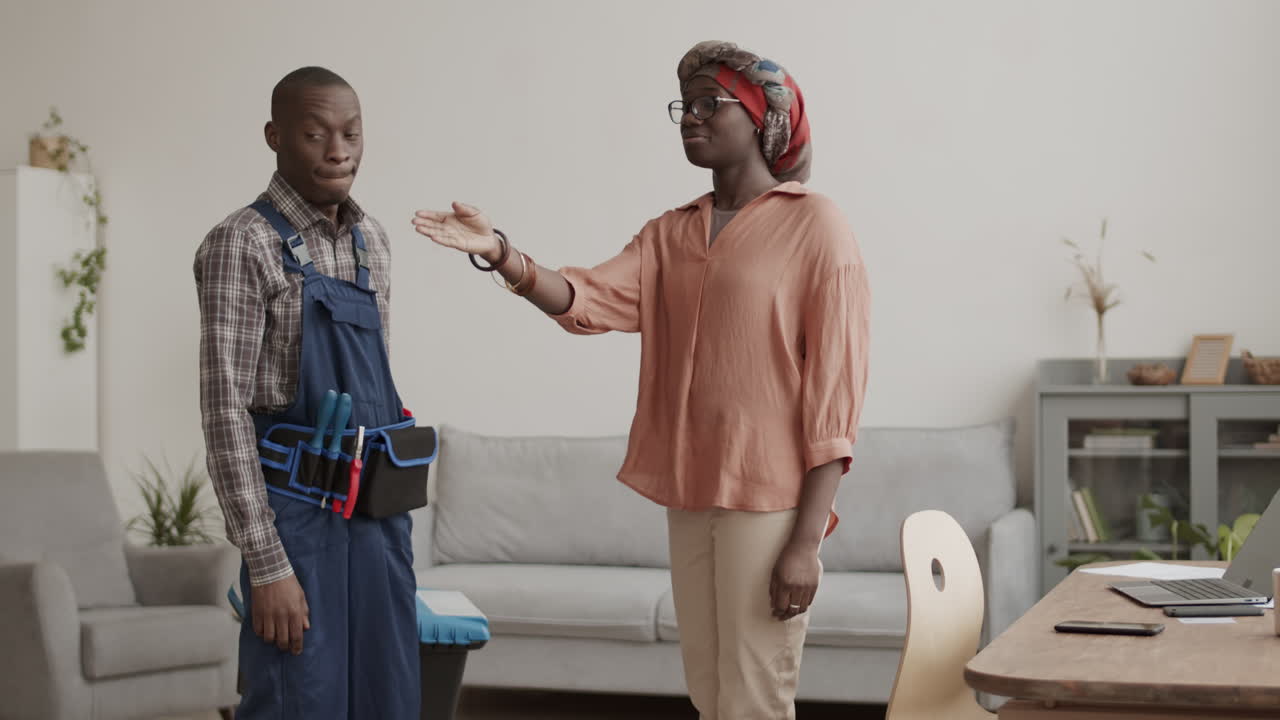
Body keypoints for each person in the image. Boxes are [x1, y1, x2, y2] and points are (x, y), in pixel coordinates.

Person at [412, 41, 870, 719]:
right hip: (688, 489)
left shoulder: (816, 224)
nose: (691, 117)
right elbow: (585, 299)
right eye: (684, 106)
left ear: (760, 119)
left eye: (710, 104)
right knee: (709, 688)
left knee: (753, 695)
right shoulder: (671, 232)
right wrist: (501, 254)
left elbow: (836, 395)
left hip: (769, 498)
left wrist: (805, 543)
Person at [195, 66, 417, 719]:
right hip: (293, 521)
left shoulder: (372, 241)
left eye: (351, 132)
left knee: (389, 696)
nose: (338, 149)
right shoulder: (243, 242)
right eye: (316, 132)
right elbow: (224, 410)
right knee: (300, 699)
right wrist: (266, 563)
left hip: (375, 511)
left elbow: (377, 378)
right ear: (275, 135)